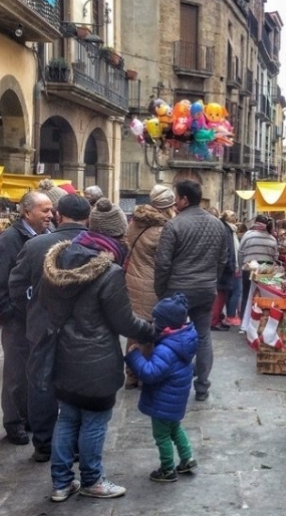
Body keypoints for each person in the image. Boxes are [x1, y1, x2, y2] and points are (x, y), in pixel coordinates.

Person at [39, 198, 156, 502]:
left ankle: (61, 483)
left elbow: (46, 304)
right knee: (94, 420)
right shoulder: (110, 272)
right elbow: (124, 322)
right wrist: (151, 331)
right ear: (116, 234)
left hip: (64, 353)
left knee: (67, 418)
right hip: (96, 359)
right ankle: (92, 480)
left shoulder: (59, 261)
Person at [8, 194, 91, 462]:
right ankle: (75, 444)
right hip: (84, 328)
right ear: (88, 217)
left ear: (58, 215)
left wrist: (33, 309)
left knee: (41, 383)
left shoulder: (35, 245)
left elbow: (16, 286)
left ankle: (44, 444)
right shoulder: (96, 245)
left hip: (43, 324)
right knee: (79, 383)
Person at [0, 190, 52, 446]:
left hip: (38, 319)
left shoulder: (47, 236)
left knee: (34, 372)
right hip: (18, 320)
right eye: (45, 210)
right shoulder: (7, 242)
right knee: (16, 374)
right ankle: (14, 422)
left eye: (51, 210)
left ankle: (29, 416)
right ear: (27, 212)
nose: (50, 215)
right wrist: (8, 315)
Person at [154, 180, 228, 402]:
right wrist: (212, 280)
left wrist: (160, 290)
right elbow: (222, 259)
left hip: (177, 289)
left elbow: (163, 263)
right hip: (205, 289)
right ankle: (202, 387)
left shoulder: (173, 225)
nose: (174, 202)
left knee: (167, 336)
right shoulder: (218, 225)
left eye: (176, 197)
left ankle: (166, 382)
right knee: (203, 337)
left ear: (184, 200)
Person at [124, 292, 199, 483]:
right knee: (175, 428)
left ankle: (167, 469)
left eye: (156, 320)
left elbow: (150, 373)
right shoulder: (182, 340)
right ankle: (187, 458)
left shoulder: (166, 349)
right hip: (176, 398)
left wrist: (134, 357)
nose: (153, 323)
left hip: (163, 401)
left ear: (165, 325)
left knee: (162, 436)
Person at [123, 184, 176, 389]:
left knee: (134, 329)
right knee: (148, 331)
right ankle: (143, 373)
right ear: (167, 206)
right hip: (151, 283)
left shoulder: (135, 222)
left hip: (131, 280)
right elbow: (165, 261)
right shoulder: (162, 230)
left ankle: (130, 375)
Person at [238, 214, 279, 320]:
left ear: (255, 222)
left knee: (246, 294)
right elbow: (275, 257)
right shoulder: (272, 239)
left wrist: (240, 266)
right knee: (263, 295)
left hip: (248, 267)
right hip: (266, 270)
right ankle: (260, 319)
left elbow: (240, 252)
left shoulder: (247, 235)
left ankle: (244, 318)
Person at [211, 210, 242, 331]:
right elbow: (227, 250)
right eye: (233, 216)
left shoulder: (230, 229)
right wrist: (230, 266)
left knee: (222, 295)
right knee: (220, 296)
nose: (235, 217)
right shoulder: (226, 230)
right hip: (225, 268)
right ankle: (215, 321)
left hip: (226, 267)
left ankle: (217, 318)